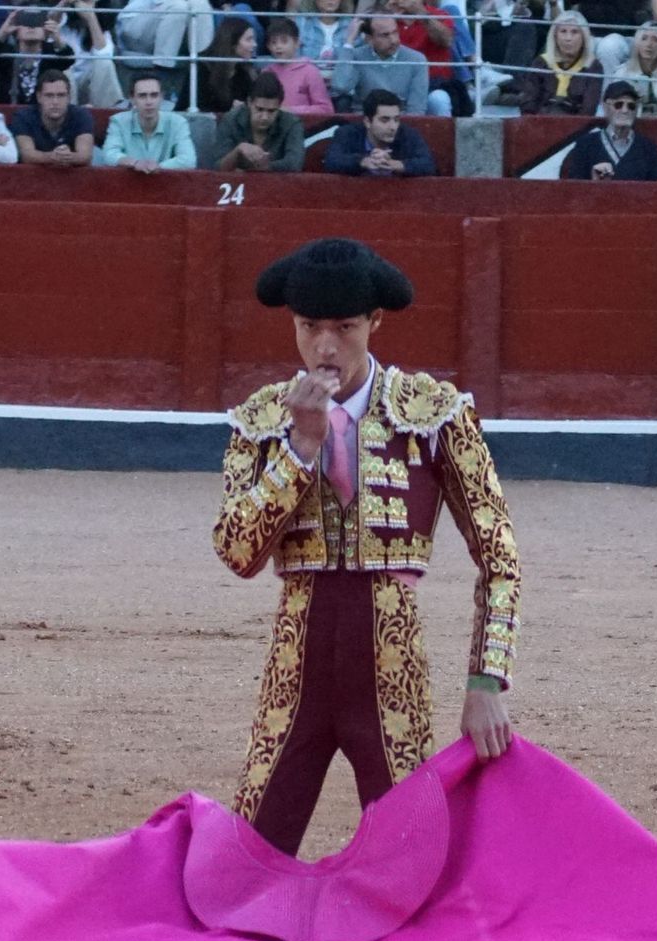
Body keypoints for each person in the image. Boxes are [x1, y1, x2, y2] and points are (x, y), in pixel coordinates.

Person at [214, 236, 521, 857]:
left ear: (375, 321)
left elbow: (499, 556)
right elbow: (238, 552)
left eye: (345, 328)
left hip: (391, 662)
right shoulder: (263, 419)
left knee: (410, 861)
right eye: (309, 328)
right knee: (246, 859)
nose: (325, 347)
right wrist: (301, 448)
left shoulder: (433, 414)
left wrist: (487, 681)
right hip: (295, 658)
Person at [562, 79, 657, 181]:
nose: (625, 110)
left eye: (631, 106)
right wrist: (594, 181)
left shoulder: (649, 148)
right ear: (605, 107)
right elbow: (574, 189)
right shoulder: (585, 144)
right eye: (618, 105)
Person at [323, 87, 435, 176]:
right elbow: (331, 161)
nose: (393, 127)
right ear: (367, 122)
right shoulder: (347, 133)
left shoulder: (408, 135)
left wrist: (394, 164)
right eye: (385, 120)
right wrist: (363, 161)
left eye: (396, 119)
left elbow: (428, 165)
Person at [115, 0, 216, 99]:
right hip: (138, 19)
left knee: (200, 4)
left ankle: (201, 67)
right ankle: (162, 77)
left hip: (172, 19)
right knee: (177, 7)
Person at [329, 15, 427, 114]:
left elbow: (417, 108)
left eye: (395, 32)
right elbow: (340, 86)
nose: (394, 40)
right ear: (369, 39)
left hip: (399, 119)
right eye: (385, 35)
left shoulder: (416, 59)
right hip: (363, 118)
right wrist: (349, 42)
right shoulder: (357, 56)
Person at [101, 72, 197, 170]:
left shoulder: (178, 122)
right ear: (132, 99)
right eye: (142, 96)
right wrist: (135, 163)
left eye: (154, 95)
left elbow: (188, 160)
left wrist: (158, 167)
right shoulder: (118, 121)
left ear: (162, 97)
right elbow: (109, 154)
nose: (149, 102)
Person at [215, 70, 305, 171]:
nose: (264, 117)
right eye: (259, 109)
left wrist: (264, 167)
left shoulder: (292, 123)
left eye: (271, 111)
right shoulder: (230, 120)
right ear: (249, 102)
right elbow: (218, 167)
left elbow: (295, 163)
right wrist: (237, 151)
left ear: (279, 106)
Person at [517, 9, 602, 116]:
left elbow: (589, 109)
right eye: (563, 31)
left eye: (574, 32)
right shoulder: (541, 62)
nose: (568, 38)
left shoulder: (593, 66)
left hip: (576, 124)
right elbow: (528, 102)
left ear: (584, 37)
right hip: (540, 121)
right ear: (555, 36)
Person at [0, 7, 77, 106]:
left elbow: (68, 60)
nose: (31, 27)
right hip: (9, 112)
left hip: (44, 113)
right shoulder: (7, 53)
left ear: (46, 28)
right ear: (16, 28)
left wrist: (57, 38)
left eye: (37, 23)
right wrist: (3, 32)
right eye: (25, 22)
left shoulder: (51, 53)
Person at [389, 0, 463, 116]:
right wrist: (386, 16)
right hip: (394, 85)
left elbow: (446, 41)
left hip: (433, 85)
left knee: (439, 99)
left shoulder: (439, 14)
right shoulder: (388, 16)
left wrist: (422, 14)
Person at [601, 18, 657, 116]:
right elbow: (614, 104)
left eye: (656, 40)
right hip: (634, 121)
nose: (649, 44)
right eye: (644, 38)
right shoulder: (623, 72)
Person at [12, 68, 96, 165]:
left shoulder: (81, 115)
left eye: (61, 95)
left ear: (69, 97)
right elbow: (27, 156)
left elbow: (85, 156)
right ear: (39, 97)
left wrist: (66, 157)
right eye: (49, 95)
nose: (55, 102)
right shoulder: (24, 117)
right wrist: (53, 157)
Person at [264, 17, 332, 115]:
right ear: (268, 46)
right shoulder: (267, 72)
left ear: (297, 43)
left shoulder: (310, 72)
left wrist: (293, 111)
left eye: (284, 41)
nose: (278, 46)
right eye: (273, 42)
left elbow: (326, 109)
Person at [196, 16, 256, 112]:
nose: (254, 44)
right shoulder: (202, 68)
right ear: (232, 41)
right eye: (249, 39)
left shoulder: (243, 72)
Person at [295, 0, 359, 76]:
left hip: (341, 79)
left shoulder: (351, 25)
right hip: (307, 78)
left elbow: (355, 61)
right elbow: (294, 57)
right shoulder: (302, 23)